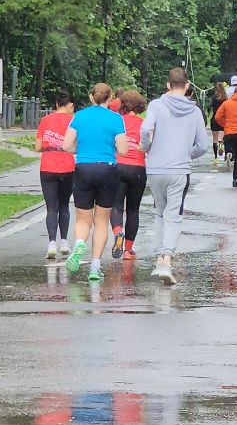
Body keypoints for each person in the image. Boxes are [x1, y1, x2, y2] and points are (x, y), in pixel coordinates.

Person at [140, 67, 211, 286]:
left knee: (160, 213)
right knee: (174, 214)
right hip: (179, 170)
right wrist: (185, 153)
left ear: (168, 84)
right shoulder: (195, 111)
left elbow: (145, 129)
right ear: (188, 86)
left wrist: (148, 148)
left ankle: (159, 256)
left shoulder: (156, 105)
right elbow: (203, 146)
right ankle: (166, 259)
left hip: (155, 169)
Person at [61, 83, 128, 279]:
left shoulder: (79, 117)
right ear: (110, 99)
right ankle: (95, 266)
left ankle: (80, 242)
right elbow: (123, 150)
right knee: (101, 220)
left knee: (83, 218)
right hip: (107, 168)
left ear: (91, 97)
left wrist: (79, 151)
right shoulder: (116, 119)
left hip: (83, 167)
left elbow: (66, 145)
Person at [108, 89, 148, 263]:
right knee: (133, 209)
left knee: (116, 206)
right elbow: (149, 146)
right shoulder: (144, 124)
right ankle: (128, 250)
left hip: (118, 166)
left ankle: (118, 233)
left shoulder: (117, 121)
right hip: (138, 168)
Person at [35, 93, 77, 260]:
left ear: (56, 103)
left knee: (51, 207)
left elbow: (38, 146)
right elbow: (76, 145)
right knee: (64, 205)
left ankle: (52, 242)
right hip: (67, 164)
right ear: (69, 105)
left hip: (48, 165)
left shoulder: (46, 120)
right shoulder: (72, 121)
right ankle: (65, 242)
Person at [207, 82, 228, 170]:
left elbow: (209, 106)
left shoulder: (214, 98)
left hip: (214, 119)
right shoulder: (225, 99)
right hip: (223, 119)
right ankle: (222, 149)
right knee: (222, 137)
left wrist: (209, 112)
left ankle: (216, 158)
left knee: (214, 139)